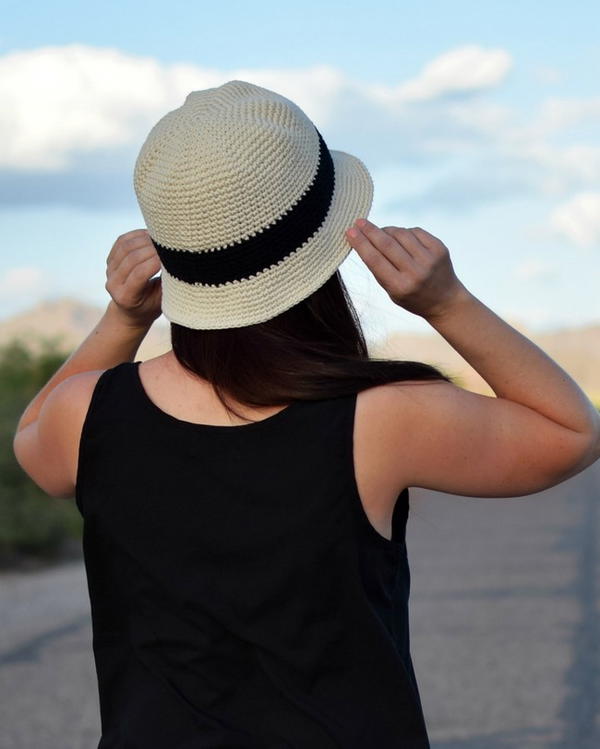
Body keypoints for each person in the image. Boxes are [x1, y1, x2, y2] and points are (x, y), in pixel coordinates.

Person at [12, 80, 600, 748]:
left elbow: (32, 437)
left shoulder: (88, 413)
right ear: (327, 248)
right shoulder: (378, 416)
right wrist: (446, 302)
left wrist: (122, 319)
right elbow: (571, 431)